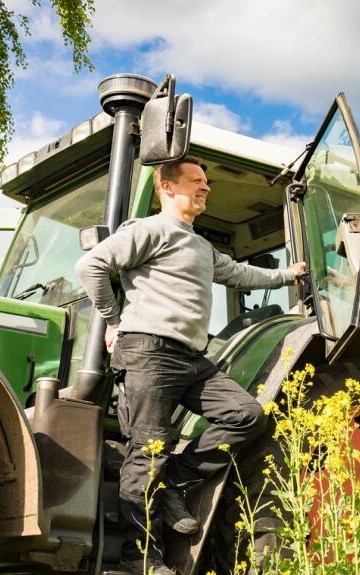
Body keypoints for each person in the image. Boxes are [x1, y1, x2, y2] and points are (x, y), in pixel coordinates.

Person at [75, 157, 307, 575]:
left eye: (206, 182)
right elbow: (90, 266)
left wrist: (287, 276)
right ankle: (141, 561)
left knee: (246, 414)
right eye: (196, 182)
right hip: (148, 350)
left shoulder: (200, 246)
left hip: (190, 358)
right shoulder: (149, 231)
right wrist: (112, 320)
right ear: (167, 188)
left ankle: (172, 481)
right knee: (146, 453)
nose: (206, 188)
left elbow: (240, 274)